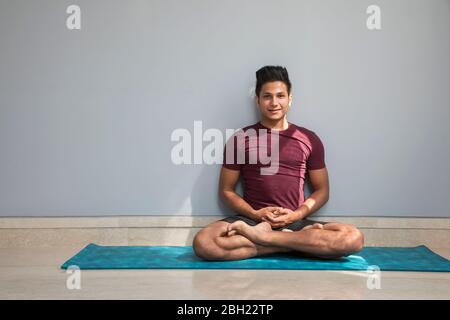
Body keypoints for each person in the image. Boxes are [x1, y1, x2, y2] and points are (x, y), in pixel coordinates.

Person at [193, 65, 364, 261]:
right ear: (258, 101)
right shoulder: (240, 139)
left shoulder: (309, 139)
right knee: (204, 242)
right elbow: (226, 191)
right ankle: (294, 244)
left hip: (294, 220)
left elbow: (322, 190)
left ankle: (268, 240)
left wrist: (295, 216)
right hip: (252, 220)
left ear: (290, 99)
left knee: (353, 238)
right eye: (267, 96)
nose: (274, 102)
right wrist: (256, 215)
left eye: (280, 96)